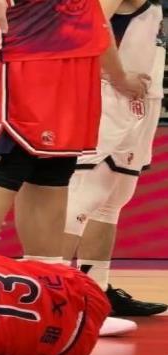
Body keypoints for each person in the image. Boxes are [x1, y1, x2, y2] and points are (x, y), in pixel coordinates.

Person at [0, 0, 150, 269]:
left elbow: (96, 17)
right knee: (4, 164)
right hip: (20, 42)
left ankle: (45, 276)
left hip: (73, 47)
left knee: (53, 168)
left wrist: (118, 76)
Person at [63, 0, 167, 316]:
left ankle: (96, 290)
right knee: (84, 193)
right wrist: (119, 75)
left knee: (112, 199)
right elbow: (90, 21)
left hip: (142, 98)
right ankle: (54, 291)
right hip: (107, 91)